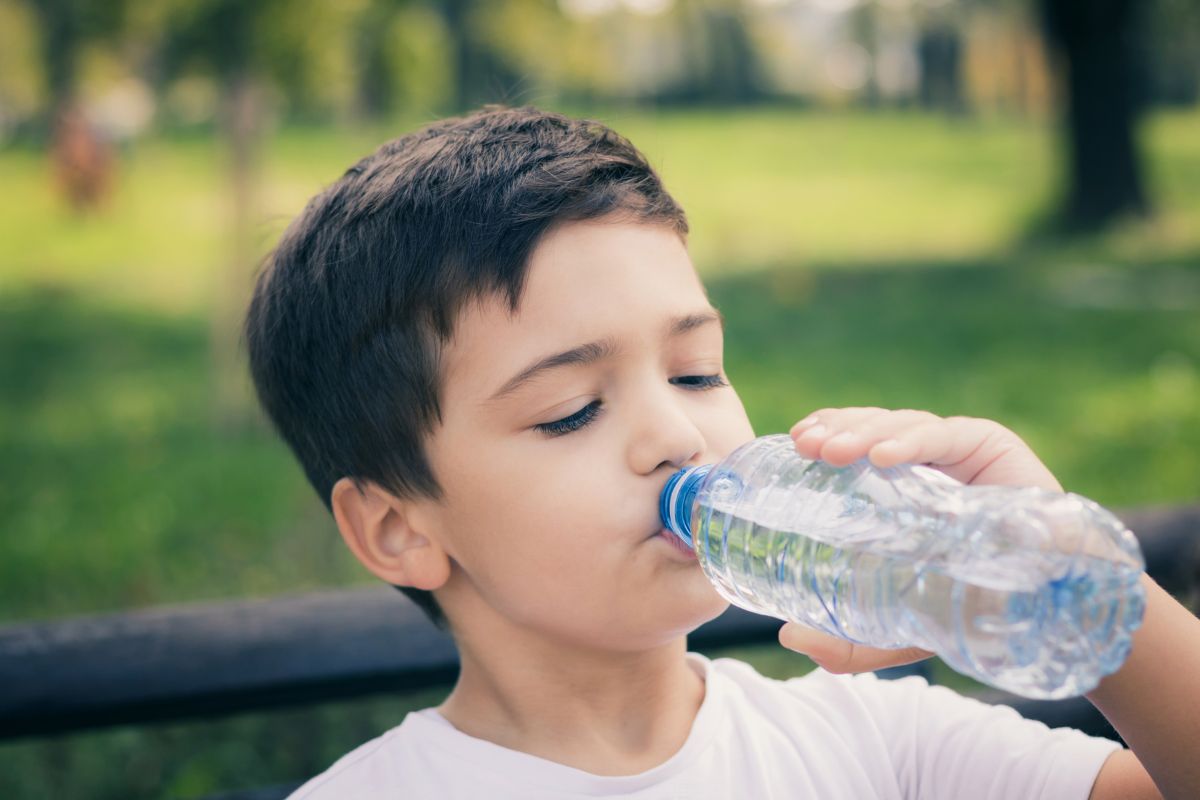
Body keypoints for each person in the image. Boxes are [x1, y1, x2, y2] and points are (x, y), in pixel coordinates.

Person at [243, 105, 1196, 798]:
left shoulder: (872, 743)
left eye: (696, 372)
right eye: (573, 410)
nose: (675, 434)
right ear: (399, 528)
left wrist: (1076, 579)